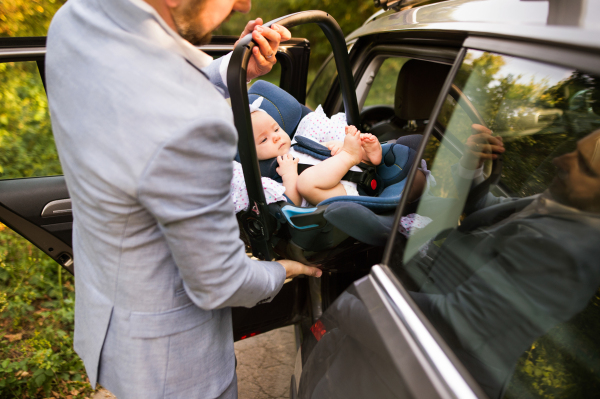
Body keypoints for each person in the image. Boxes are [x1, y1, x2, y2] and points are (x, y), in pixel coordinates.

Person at [45, 0, 321, 398]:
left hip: (113, 317)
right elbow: (221, 283)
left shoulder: (76, 18)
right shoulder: (194, 122)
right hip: (176, 368)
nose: (243, 4)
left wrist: (234, 68)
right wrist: (283, 269)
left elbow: (146, 85)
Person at [401, 128, 600, 398]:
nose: (560, 160)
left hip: (436, 372)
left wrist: (357, 297)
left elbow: (457, 320)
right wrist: (473, 167)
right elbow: (488, 213)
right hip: (422, 335)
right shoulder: (562, 208)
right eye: (575, 151)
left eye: (584, 166)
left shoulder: (568, 253)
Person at [249, 97, 427, 207]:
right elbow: (293, 203)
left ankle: (370, 157)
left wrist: (335, 146)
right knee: (305, 182)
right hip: (338, 195)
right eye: (264, 139)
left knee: (338, 147)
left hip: (355, 174)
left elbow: (320, 151)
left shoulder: (297, 144)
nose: (275, 137)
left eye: (276, 129)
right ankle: (350, 155)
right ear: (250, 152)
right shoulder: (271, 174)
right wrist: (288, 175)